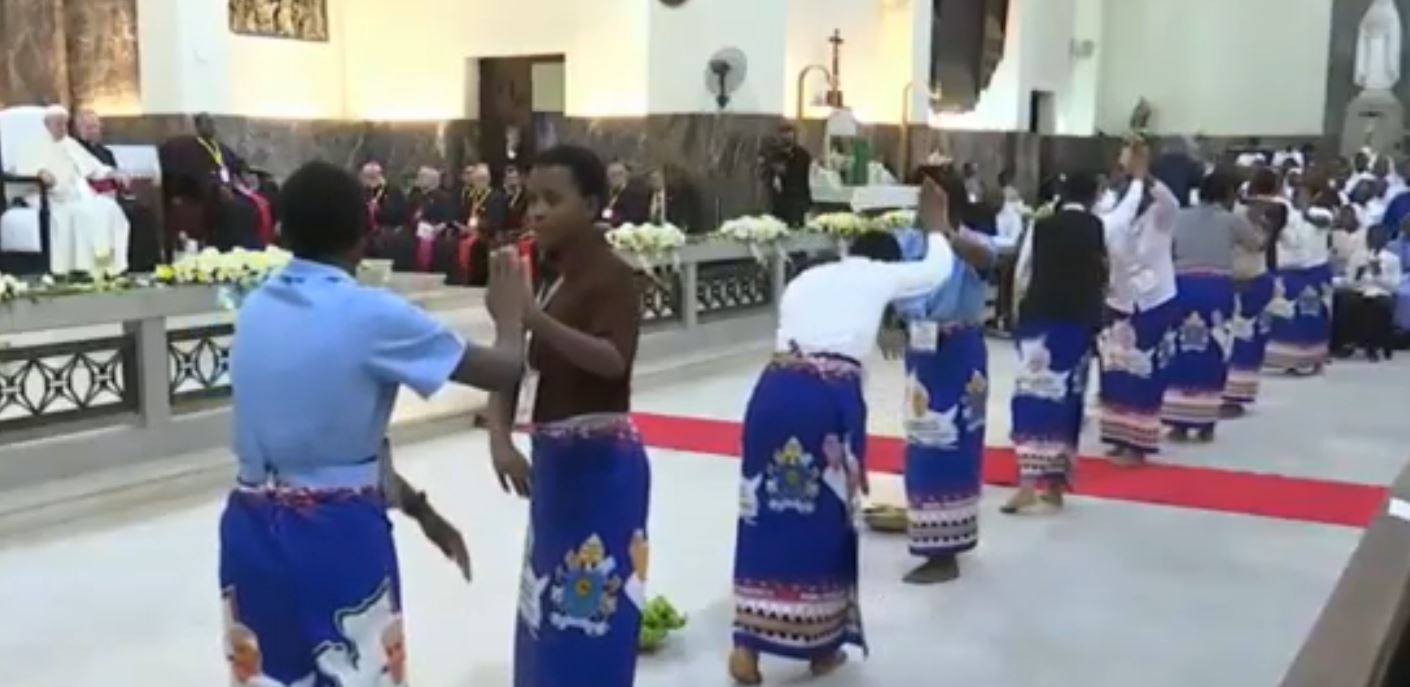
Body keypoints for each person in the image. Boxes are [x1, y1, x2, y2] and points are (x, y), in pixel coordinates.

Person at [220, 160, 528, 687]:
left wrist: (419, 509)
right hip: (335, 531)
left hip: (249, 527)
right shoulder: (371, 314)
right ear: (364, 235)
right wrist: (512, 316)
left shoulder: (255, 307)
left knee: (270, 676)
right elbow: (503, 369)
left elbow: (332, 441)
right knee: (358, 672)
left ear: (282, 232)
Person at [729, 178, 957, 685]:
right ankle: (821, 649)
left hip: (771, 393)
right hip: (822, 404)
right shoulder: (879, 275)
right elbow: (936, 272)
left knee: (763, 513)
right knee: (827, 519)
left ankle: (747, 646)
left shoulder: (808, 278)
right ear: (886, 260)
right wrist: (937, 226)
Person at [482, 145, 652, 687]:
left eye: (552, 200)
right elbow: (511, 358)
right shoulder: (547, 275)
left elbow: (612, 359)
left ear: (593, 205)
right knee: (546, 609)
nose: (535, 211)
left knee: (590, 610)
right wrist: (500, 439)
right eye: (531, 199)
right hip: (556, 465)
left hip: (602, 467)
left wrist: (534, 318)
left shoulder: (612, 276)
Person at [883, 164, 997, 584]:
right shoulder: (908, 242)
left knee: (952, 445)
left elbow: (988, 260)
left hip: (959, 356)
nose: (919, 205)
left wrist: (944, 231)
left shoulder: (970, 242)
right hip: (923, 355)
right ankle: (931, 534)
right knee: (922, 444)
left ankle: (945, 550)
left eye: (928, 198)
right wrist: (888, 323)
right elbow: (887, 284)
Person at [1005, 170, 1107, 513]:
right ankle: (1055, 485)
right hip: (1077, 323)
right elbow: (1104, 273)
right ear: (1095, 195)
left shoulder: (1042, 225)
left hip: (1039, 320)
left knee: (1033, 395)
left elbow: (1023, 272)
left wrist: (1016, 312)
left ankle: (1026, 483)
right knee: (1068, 398)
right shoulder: (1096, 228)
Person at [1097, 138, 1180, 465]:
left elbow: (1170, 201)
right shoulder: (1112, 214)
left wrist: (1144, 174)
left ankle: (1139, 442)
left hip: (1153, 301)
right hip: (1119, 300)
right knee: (1116, 369)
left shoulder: (1161, 215)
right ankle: (1118, 435)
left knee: (1145, 370)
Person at [1160, 169, 1257, 442]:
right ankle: (1205, 422)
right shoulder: (1232, 220)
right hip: (1216, 290)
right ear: (1228, 194)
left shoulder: (1179, 217)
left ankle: (1179, 421)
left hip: (1182, 287)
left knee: (1181, 351)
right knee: (1214, 351)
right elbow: (1255, 244)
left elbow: (1168, 250)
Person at [14, 105, 131, 276]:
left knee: (109, 208)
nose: (62, 128)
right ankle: (82, 267)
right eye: (58, 124)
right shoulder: (32, 146)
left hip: (76, 194)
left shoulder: (70, 143)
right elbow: (23, 171)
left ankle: (108, 266)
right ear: (47, 125)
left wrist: (113, 172)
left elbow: (94, 167)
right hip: (49, 197)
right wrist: (40, 174)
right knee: (82, 214)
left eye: (64, 124)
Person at [1223, 168, 1287, 415]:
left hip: (1253, 278)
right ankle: (1231, 393)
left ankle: (1236, 396)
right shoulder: (1238, 214)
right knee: (1239, 339)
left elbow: (1265, 244)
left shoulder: (1273, 211)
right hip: (1241, 278)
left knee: (1246, 340)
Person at [1266, 192, 1335, 375]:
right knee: (1292, 318)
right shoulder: (1285, 220)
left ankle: (1317, 360)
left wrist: (1307, 213)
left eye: (1304, 196)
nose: (1300, 199)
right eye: (1297, 196)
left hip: (1317, 271)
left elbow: (1325, 223)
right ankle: (1292, 360)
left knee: (1316, 317)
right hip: (1292, 273)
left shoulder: (1321, 213)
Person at [1334, 226, 1400, 360]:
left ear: (1385, 240)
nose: (1374, 241)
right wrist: (1358, 275)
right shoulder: (1357, 256)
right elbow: (1349, 282)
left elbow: (1393, 286)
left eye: (1378, 238)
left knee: (1376, 306)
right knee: (1346, 302)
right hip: (1360, 290)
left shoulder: (1393, 259)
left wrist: (1378, 275)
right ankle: (1344, 343)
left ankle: (1372, 347)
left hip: (1381, 292)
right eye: (1371, 238)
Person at [452, 163, 507, 286]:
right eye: (477, 179)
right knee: (452, 243)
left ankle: (474, 279)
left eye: (482, 179)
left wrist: (478, 227)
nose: (479, 182)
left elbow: (497, 221)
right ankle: (458, 277)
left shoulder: (496, 197)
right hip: (467, 232)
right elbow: (463, 215)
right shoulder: (470, 196)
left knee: (475, 246)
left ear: (488, 180)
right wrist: (462, 226)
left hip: (486, 234)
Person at [759, 123, 812, 228]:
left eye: (789, 133)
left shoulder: (802, 155)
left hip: (797, 200)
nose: (786, 137)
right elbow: (765, 174)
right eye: (784, 134)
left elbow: (805, 177)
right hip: (777, 202)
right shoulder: (773, 155)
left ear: (794, 135)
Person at [360, 161, 410, 264]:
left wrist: (379, 210)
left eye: (372, 176)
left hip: (386, 235)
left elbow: (399, 215)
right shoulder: (361, 190)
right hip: (364, 235)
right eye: (367, 176)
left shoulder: (392, 191)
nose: (369, 180)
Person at [601, 160, 645, 228]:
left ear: (625, 175)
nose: (616, 178)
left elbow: (635, 218)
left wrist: (610, 223)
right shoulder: (605, 194)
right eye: (613, 175)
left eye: (619, 174)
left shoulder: (634, 195)